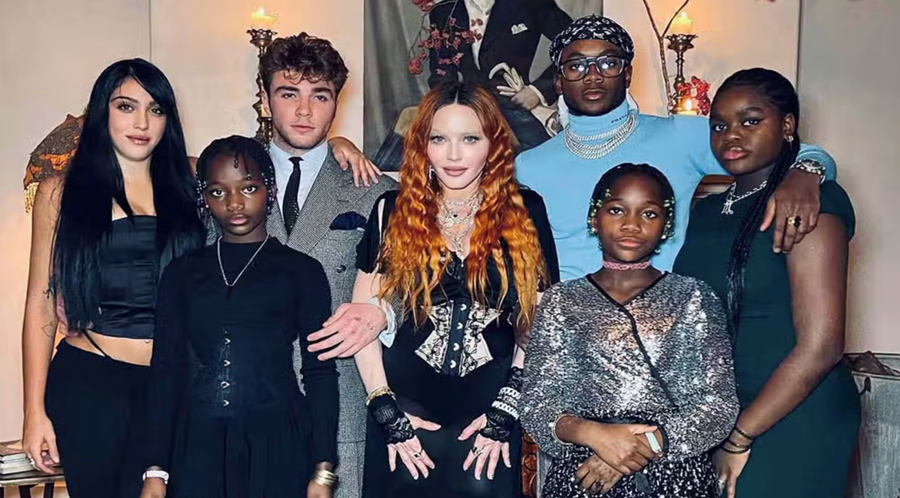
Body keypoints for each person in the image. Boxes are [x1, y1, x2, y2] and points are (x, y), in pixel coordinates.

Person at [352, 81, 559, 498]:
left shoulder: (526, 209)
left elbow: (539, 319)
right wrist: (384, 408)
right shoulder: (391, 210)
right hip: (404, 407)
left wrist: (507, 408)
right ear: (422, 145)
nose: (453, 155)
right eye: (439, 139)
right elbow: (362, 321)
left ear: (493, 144)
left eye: (469, 139)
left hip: (491, 409)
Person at [515, 15, 838, 281]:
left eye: (608, 63)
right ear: (558, 82)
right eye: (576, 66)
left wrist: (805, 174)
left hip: (666, 321)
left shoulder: (679, 135)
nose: (593, 75)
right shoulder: (529, 166)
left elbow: (796, 151)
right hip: (571, 323)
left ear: (627, 74)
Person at [20, 58, 205, 497]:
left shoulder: (194, 181)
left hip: (178, 386)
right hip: (92, 388)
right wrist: (33, 412)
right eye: (126, 106)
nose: (142, 123)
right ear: (102, 110)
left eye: (155, 109)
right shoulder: (60, 191)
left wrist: (338, 145)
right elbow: (40, 301)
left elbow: (265, 170)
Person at [673, 68, 860, 498]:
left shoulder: (807, 203)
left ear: (787, 125)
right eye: (719, 126)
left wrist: (740, 437)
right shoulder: (706, 211)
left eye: (750, 120)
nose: (731, 136)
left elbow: (822, 347)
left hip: (793, 411)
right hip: (723, 407)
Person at [520, 163, 738, 498]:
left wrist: (641, 446)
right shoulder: (561, 301)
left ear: (666, 225)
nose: (631, 225)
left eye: (649, 214)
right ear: (594, 218)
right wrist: (594, 435)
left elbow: (718, 406)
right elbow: (537, 404)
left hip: (673, 474)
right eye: (616, 210)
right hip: (583, 473)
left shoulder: (694, 297)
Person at [139, 136, 338, 498]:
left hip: (279, 442)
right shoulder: (182, 273)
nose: (234, 203)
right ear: (204, 198)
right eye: (218, 192)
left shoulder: (302, 272)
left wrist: (323, 470)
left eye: (248, 188)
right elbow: (166, 371)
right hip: (198, 445)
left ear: (270, 190)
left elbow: (320, 373)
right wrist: (155, 468)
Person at [249, 32, 399, 498]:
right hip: (247, 400)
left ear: (337, 103)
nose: (304, 110)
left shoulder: (375, 192)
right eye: (288, 94)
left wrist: (382, 312)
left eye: (320, 95)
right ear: (264, 99)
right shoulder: (229, 178)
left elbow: (412, 288)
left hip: (340, 401)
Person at [428, 0, 573, 150]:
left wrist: (538, 90)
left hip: (518, 109)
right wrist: (451, 106)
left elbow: (577, 46)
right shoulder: (444, 11)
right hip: (468, 110)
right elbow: (441, 72)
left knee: (539, 156)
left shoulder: (533, 4)